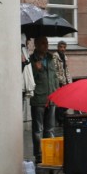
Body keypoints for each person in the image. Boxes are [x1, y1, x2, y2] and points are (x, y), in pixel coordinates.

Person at [29, 36, 58, 164]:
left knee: (50, 129)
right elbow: (28, 79)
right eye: (42, 43)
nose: (45, 45)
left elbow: (55, 77)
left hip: (51, 98)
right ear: (35, 44)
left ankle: (49, 154)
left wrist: (57, 92)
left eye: (46, 43)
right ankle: (39, 155)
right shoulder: (31, 59)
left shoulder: (51, 58)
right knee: (37, 130)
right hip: (38, 98)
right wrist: (36, 70)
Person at [52, 40, 72, 128]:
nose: (62, 49)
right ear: (58, 47)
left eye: (64, 47)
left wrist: (69, 82)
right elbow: (55, 71)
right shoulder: (55, 56)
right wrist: (62, 81)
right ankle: (60, 120)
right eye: (61, 47)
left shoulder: (65, 57)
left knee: (66, 101)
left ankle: (60, 118)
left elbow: (66, 70)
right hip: (59, 83)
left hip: (65, 82)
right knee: (60, 102)